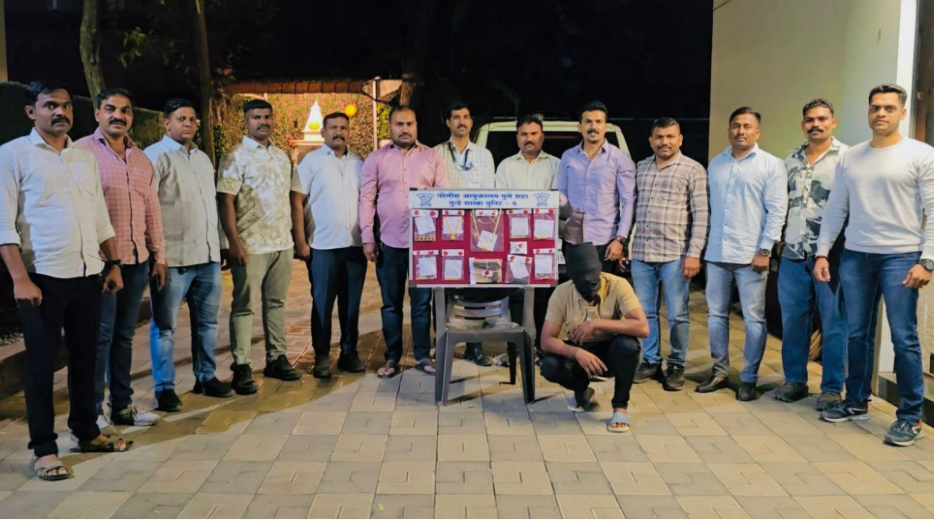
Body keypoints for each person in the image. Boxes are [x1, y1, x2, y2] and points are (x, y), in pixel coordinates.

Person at [0, 81, 131, 481]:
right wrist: (20, 279)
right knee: (41, 365)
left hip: (87, 273)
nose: (60, 112)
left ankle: (86, 431)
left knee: (85, 358)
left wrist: (113, 264)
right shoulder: (12, 154)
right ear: (31, 111)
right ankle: (43, 449)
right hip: (42, 277)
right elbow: (3, 224)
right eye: (50, 105)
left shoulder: (83, 157)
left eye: (66, 106)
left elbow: (99, 216)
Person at [815, 84, 934, 447]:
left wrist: (927, 261)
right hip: (856, 256)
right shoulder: (851, 157)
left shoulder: (921, 154)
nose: (880, 113)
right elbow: (837, 208)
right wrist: (822, 252)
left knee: (904, 337)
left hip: (902, 257)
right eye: (875, 107)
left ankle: (910, 417)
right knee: (856, 333)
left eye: (888, 108)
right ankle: (856, 402)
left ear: (902, 113)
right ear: (868, 112)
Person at [75, 88, 166, 430]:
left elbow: (152, 211)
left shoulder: (141, 159)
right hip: (100, 263)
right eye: (110, 109)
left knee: (124, 337)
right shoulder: (79, 153)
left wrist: (159, 256)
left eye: (125, 110)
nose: (118, 115)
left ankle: (122, 406)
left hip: (137, 260)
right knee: (99, 338)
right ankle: (93, 412)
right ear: (97, 113)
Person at [146, 98, 233, 412]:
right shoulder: (155, 157)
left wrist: (220, 243)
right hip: (172, 258)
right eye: (181, 118)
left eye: (192, 119)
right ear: (166, 123)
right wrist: (157, 255)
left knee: (207, 323)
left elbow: (211, 205)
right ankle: (164, 387)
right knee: (164, 326)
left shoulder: (202, 158)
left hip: (206, 257)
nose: (188, 123)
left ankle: (205, 376)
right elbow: (148, 208)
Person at [699, 107, 788, 401]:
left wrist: (765, 249)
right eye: (736, 125)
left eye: (747, 126)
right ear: (729, 130)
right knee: (715, 316)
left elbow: (777, 211)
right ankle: (719, 371)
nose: (741, 131)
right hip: (717, 253)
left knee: (754, 319)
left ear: (757, 132)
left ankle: (749, 378)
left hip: (752, 257)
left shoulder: (771, 165)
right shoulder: (717, 163)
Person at [359, 105, 449, 378]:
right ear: (390, 127)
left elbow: (444, 197)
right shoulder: (376, 158)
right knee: (391, 304)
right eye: (399, 124)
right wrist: (367, 237)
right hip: (388, 243)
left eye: (409, 123)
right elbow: (367, 199)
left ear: (416, 126)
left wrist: (442, 240)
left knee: (422, 304)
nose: (405, 129)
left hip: (425, 244)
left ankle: (421, 356)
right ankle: (392, 357)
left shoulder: (432, 157)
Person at [218, 99, 301, 392]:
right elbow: (225, 201)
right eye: (256, 117)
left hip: (281, 242)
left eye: (267, 116)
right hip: (250, 244)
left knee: (276, 303)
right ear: (247, 121)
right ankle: (241, 365)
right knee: (244, 307)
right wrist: (232, 243)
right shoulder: (235, 156)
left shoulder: (281, 156)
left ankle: (276, 357)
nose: (262, 122)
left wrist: (294, 240)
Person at [774, 99, 848, 411]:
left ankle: (831, 388)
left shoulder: (846, 159)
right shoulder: (789, 159)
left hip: (831, 256)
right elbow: (779, 203)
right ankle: (795, 381)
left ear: (833, 122)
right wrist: (777, 242)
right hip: (792, 253)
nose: (815, 124)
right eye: (809, 119)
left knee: (834, 322)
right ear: (803, 124)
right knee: (793, 322)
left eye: (821, 119)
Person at [630, 118, 708, 391]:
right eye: (659, 137)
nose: (664, 142)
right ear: (651, 140)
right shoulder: (641, 168)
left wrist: (694, 253)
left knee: (677, 314)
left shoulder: (693, 169)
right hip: (641, 253)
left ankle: (676, 363)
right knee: (645, 312)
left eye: (670, 136)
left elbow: (701, 215)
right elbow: (630, 208)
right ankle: (650, 360)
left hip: (675, 254)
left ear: (680, 139)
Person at [539, 243, 649, 433]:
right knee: (549, 365)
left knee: (628, 345)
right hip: (580, 351)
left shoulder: (618, 284)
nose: (589, 289)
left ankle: (620, 407)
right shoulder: (562, 292)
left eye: (593, 283)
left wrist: (596, 324)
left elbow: (642, 327)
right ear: (573, 279)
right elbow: (546, 341)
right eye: (583, 285)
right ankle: (582, 391)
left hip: (611, 350)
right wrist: (576, 352)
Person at [292, 112, 367, 379]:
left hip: (354, 246)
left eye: (343, 127)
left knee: (351, 304)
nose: (339, 132)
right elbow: (296, 200)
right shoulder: (311, 161)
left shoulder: (360, 163)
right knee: (322, 304)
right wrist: (300, 241)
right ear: (323, 132)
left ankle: (349, 352)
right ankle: (322, 356)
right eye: (333, 127)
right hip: (322, 246)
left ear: (349, 132)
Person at [434, 101, 497, 366]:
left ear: (471, 122)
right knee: (443, 290)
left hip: (475, 234)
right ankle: (442, 343)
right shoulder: (435, 153)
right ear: (447, 122)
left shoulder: (484, 155)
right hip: (446, 233)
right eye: (456, 117)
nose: (462, 121)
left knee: (474, 289)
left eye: (466, 116)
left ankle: (475, 347)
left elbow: (490, 195)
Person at [556, 101, 636, 275]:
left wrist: (620, 240)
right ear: (580, 127)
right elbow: (561, 195)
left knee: (603, 290)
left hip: (605, 241)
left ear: (605, 126)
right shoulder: (568, 157)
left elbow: (628, 202)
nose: (593, 127)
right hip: (573, 240)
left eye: (598, 122)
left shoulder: (620, 159)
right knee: (574, 288)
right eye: (588, 121)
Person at [494, 114, 560, 190]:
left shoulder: (556, 165)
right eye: (524, 134)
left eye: (534, 134)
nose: (529, 139)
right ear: (517, 138)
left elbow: (556, 196)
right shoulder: (505, 166)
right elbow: (500, 196)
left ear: (542, 137)